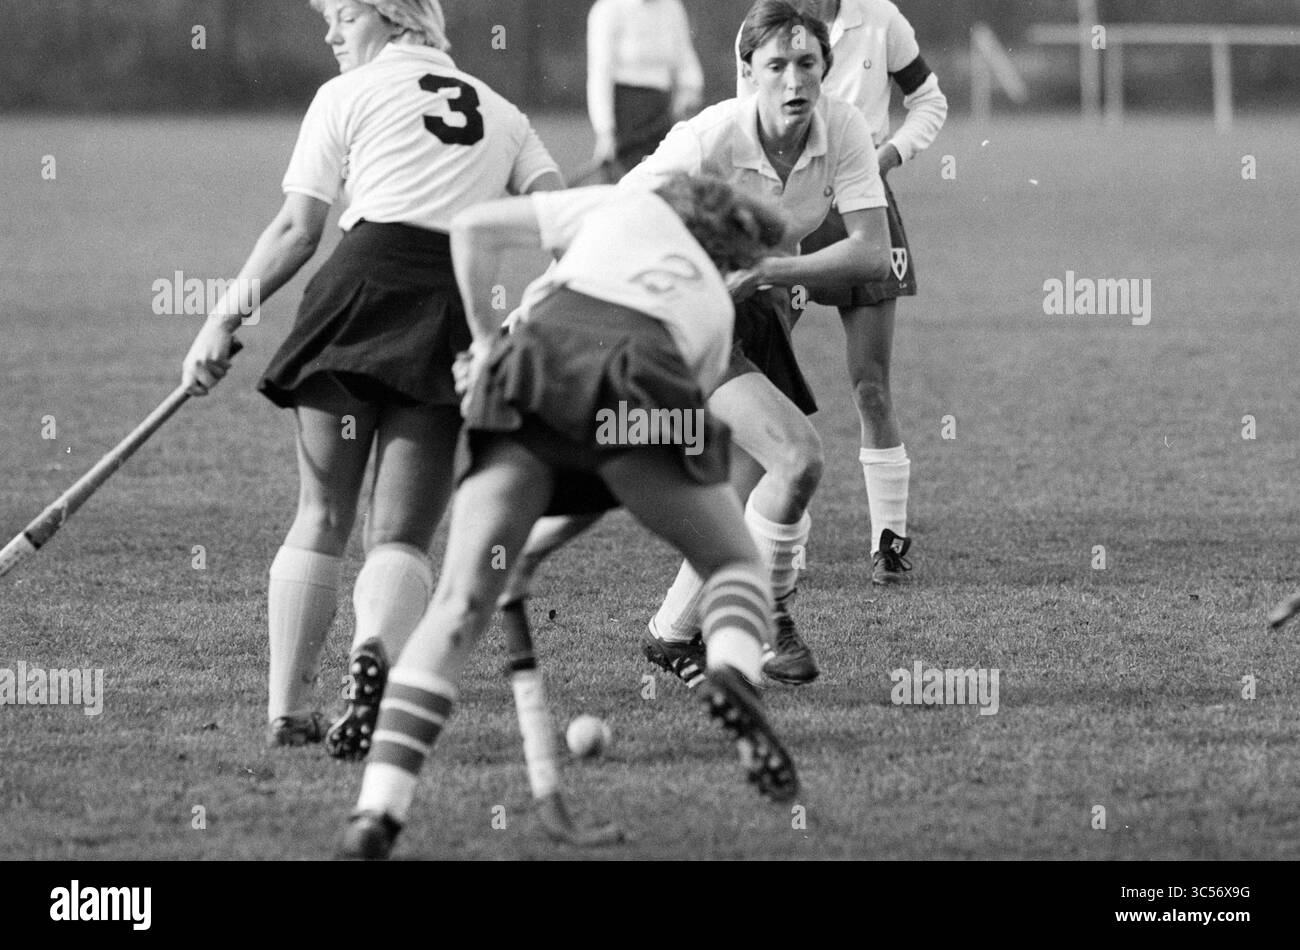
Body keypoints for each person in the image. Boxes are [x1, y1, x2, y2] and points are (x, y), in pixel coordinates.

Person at [337, 174, 800, 860]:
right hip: (646, 374)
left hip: (532, 366)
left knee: (457, 606)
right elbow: (616, 468)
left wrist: (488, 341)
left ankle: (377, 810)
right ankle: (732, 667)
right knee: (730, 561)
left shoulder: (622, 200)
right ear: (731, 259)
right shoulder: (714, 308)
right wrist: (545, 544)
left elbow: (472, 228)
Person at [179, 0, 562, 752]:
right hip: (449, 307)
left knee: (321, 513)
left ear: (394, 16)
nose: (329, 32)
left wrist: (222, 319)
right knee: (402, 536)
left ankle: (288, 711)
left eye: (344, 14)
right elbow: (565, 224)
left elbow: (298, 228)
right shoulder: (507, 113)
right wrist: (515, 326)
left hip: (355, 289)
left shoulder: (345, 96)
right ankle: (373, 653)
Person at [619, 0, 891, 688]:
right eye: (777, 66)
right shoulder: (709, 138)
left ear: (826, 69)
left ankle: (672, 634)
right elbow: (622, 214)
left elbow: (871, 255)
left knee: (745, 496)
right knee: (796, 460)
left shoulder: (844, 127)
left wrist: (771, 272)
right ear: (749, 72)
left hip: (758, 309)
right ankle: (770, 611)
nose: (795, 80)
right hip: (685, 315)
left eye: (808, 64)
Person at [739, 0, 948, 584]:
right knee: (768, 385)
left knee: (871, 387)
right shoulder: (764, 23)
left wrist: (884, 157)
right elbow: (744, 115)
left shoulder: (881, 17)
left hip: (862, 207)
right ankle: (776, 534)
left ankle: (889, 542)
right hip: (785, 208)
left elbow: (930, 99)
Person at [587, 0, 704, 180]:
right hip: (625, 116)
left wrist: (690, 89)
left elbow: (684, 57)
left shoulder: (672, 7)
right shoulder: (608, 9)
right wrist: (605, 133)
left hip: (662, 114)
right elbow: (600, 73)